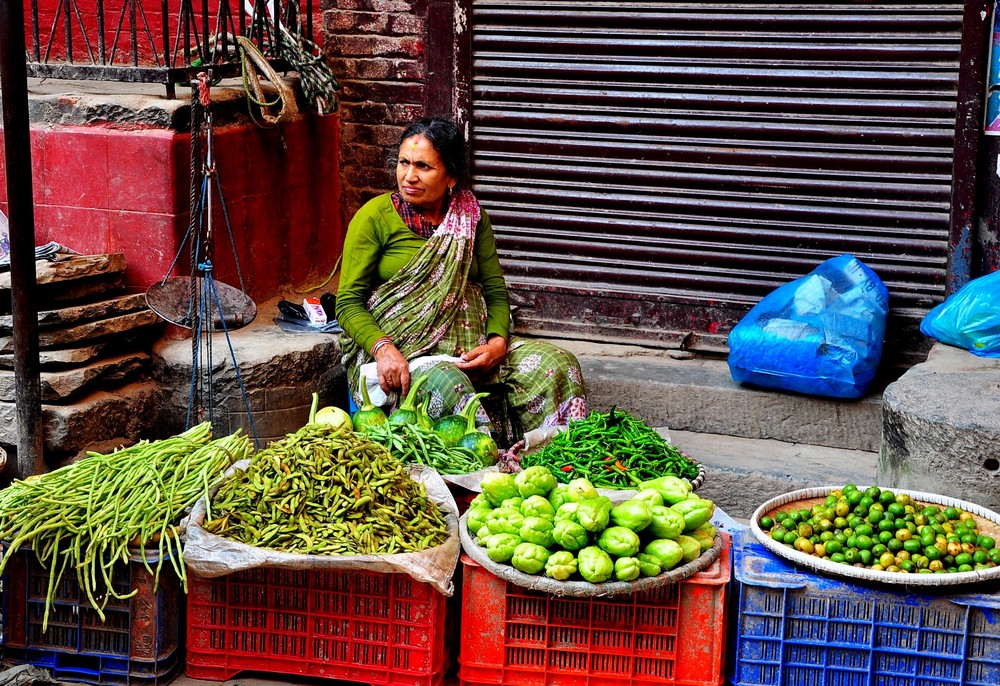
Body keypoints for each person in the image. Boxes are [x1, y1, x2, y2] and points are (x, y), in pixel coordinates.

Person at [336, 117, 587, 443]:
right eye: (403, 163)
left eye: (423, 167)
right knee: (445, 381)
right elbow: (347, 302)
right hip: (408, 353)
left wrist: (497, 343)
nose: (409, 176)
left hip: (474, 350)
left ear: (451, 176)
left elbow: (495, 290)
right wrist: (383, 349)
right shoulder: (374, 217)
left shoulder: (470, 217)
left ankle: (554, 457)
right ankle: (489, 469)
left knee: (557, 363)